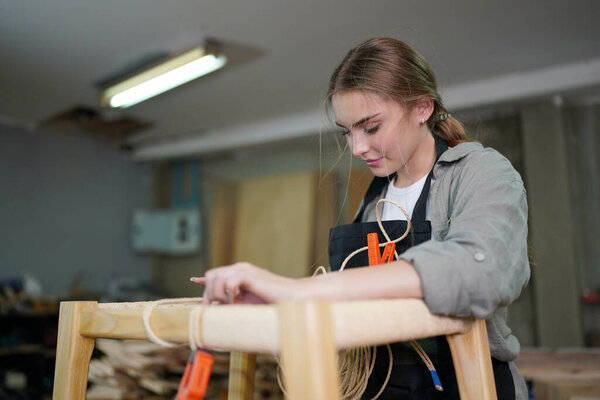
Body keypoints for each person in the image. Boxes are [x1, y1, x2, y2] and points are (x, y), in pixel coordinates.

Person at [196, 38, 530, 399]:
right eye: (347, 131)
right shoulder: (375, 199)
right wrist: (279, 303)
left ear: (422, 108)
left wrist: (298, 291)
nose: (356, 148)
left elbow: (479, 268)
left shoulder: (480, 172)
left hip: (462, 387)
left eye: (370, 127)